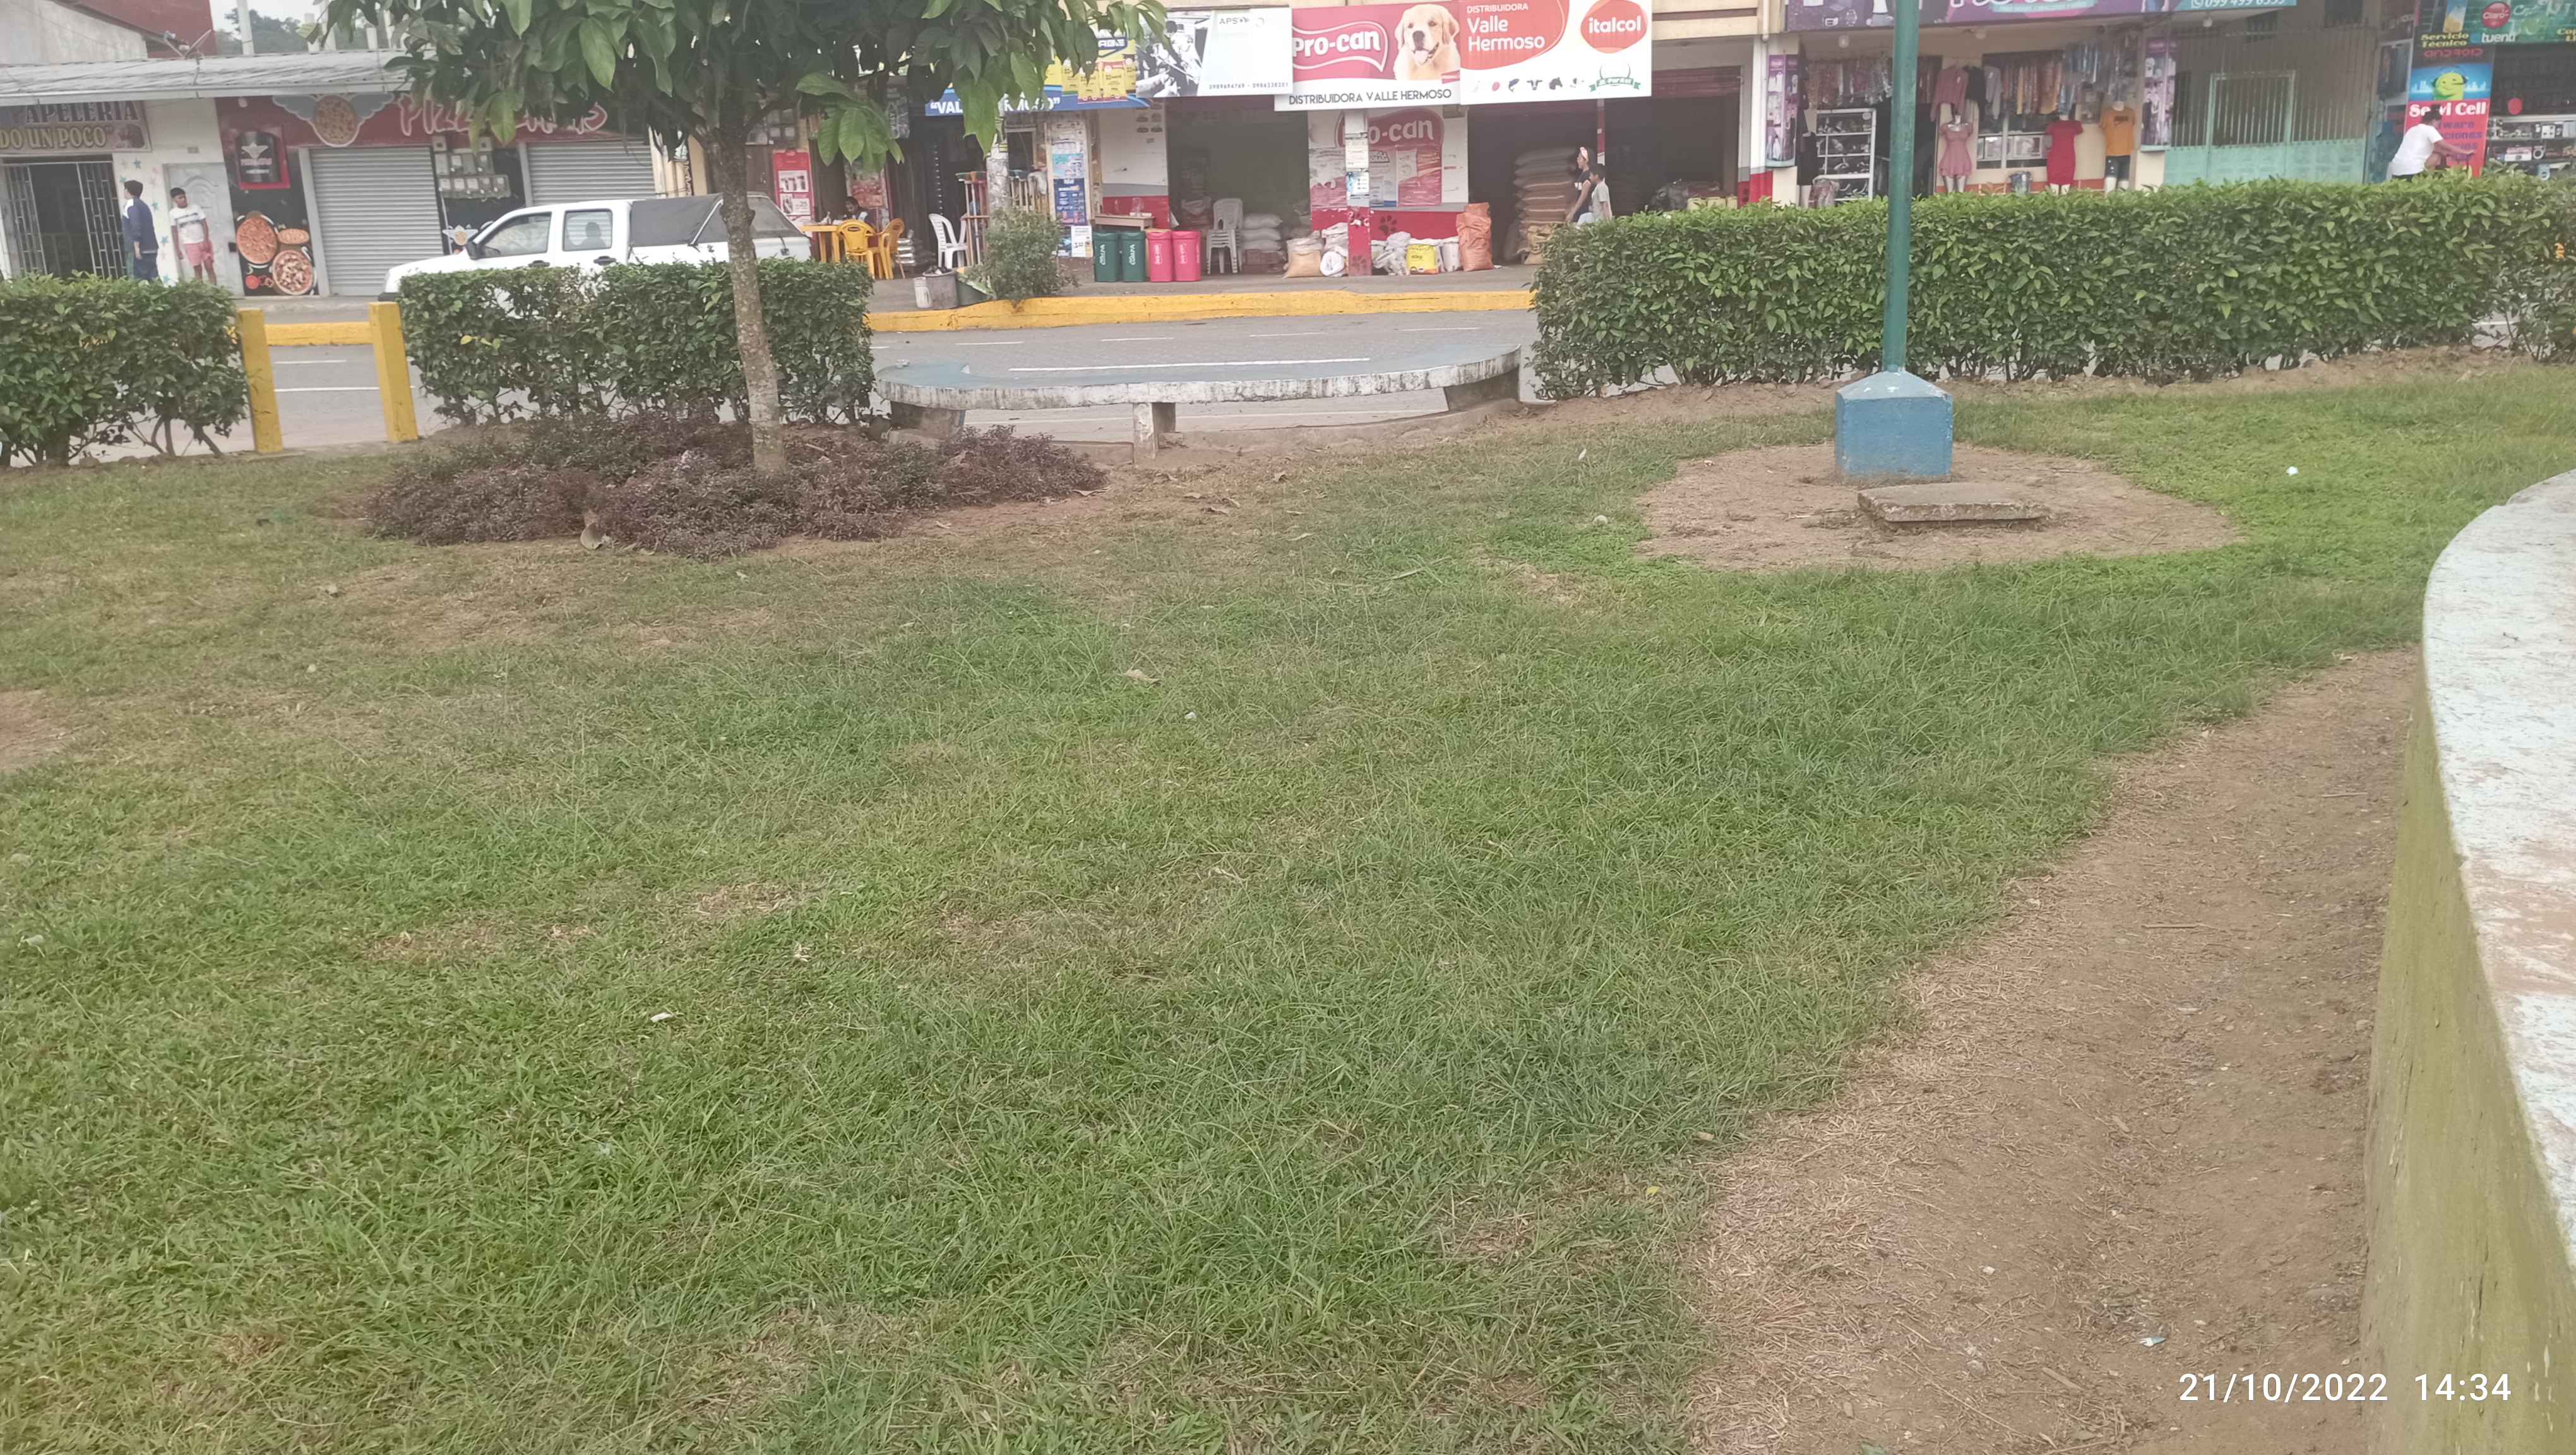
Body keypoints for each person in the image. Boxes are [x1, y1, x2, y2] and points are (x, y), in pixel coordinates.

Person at [2387, 111, 2474, 178]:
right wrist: (2464, 152)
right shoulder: (2429, 129)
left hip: (2396, 170)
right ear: (2434, 121)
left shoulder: (2412, 130)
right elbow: (2444, 145)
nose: (2438, 127)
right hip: (2412, 171)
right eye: (2439, 124)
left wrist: (2447, 153)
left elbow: (2423, 149)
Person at [168, 187, 216, 282]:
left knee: (209, 267)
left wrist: (206, 240)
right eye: (180, 198)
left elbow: (204, 224)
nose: (183, 199)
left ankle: (215, 289)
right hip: (190, 244)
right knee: (197, 269)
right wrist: (177, 249)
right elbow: (174, 231)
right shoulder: (173, 213)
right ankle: (200, 289)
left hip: (203, 242)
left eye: (184, 197)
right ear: (173, 199)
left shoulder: (196, 208)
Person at [120, 177, 160, 282]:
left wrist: (136, 245)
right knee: (154, 278)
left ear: (127, 190)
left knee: (136, 279)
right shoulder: (144, 205)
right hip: (151, 247)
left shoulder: (131, 204)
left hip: (138, 248)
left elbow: (136, 224)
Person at [1564, 147, 1613, 225]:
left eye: (1580, 159)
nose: (1578, 161)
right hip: (1583, 212)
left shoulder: (1587, 176)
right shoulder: (1584, 175)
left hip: (1585, 212)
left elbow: (1584, 195)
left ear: (1586, 160)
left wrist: (1573, 212)